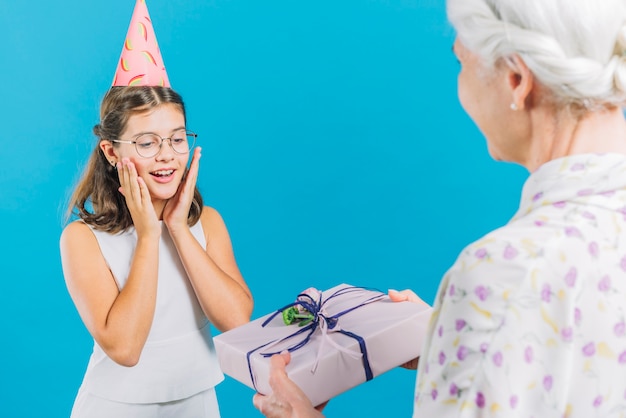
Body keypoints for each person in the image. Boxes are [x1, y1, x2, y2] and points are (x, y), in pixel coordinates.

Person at [252, 0, 626, 416]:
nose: (460, 86)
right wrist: (452, 338)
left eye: (462, 62)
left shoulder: (506, 272)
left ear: (517, 79)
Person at [60, 1, 253, 417]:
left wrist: (179, 230)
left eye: (177, 138)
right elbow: (125, 348)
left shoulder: (207, 224)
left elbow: (238, 321)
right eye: (147, 143)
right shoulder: (83, 239)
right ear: (112, 152)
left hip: (198, 403)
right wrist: (149, 235)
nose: (167, 156)